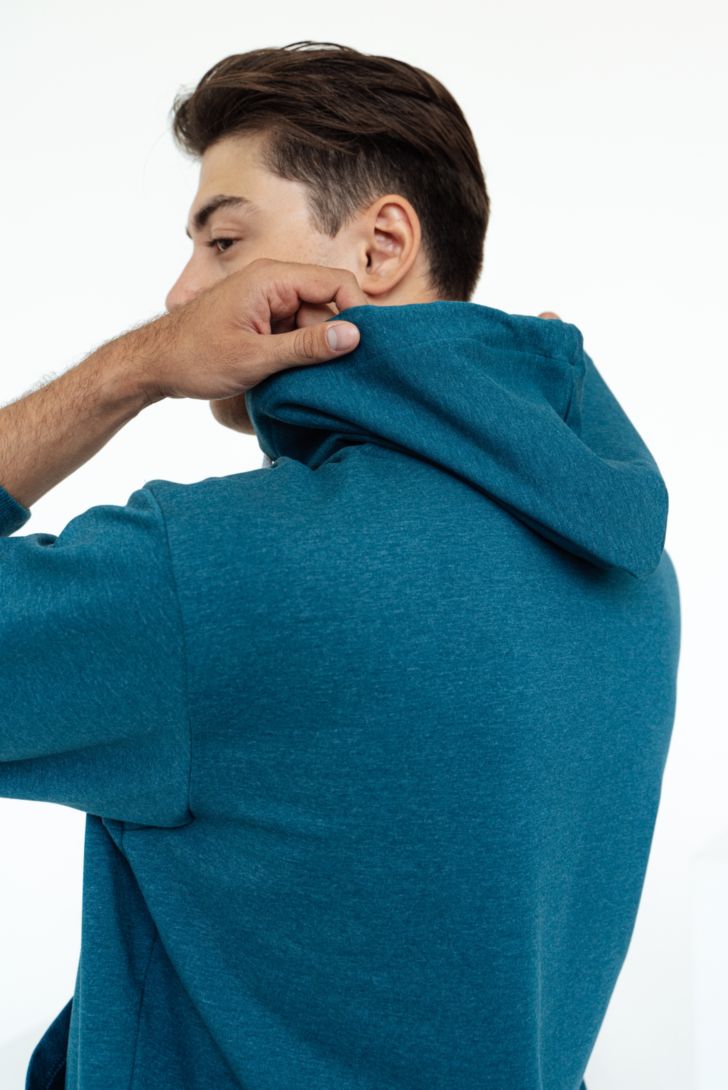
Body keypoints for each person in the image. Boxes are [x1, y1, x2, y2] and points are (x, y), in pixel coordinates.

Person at [0, 40, 680, 1090]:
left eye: (224, 240)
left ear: (380, 246)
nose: (180, 291)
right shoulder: (629, 567)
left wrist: (131, 370)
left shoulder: (210, 574)